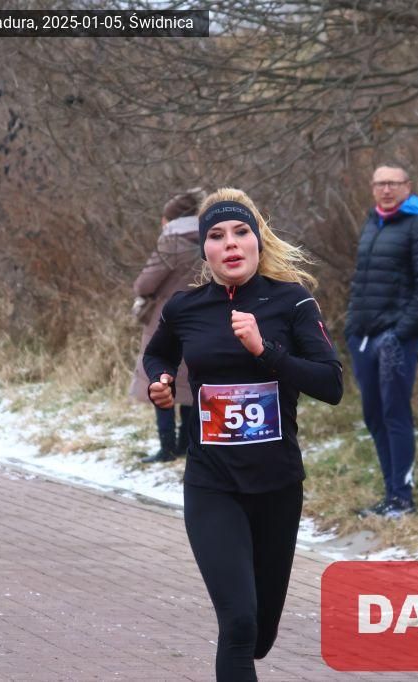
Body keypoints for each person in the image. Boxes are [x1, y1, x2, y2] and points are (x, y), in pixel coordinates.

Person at [143, 188, 342, 681]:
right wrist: (160, 380)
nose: (230, 243)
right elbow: (158, 351)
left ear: (257, 240)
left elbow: (331, 384)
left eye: (240, 232)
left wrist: (265, 350)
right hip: (212, 485)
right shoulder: (185, 307)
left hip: (277, 486)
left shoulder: (292, 301)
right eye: (216, 235)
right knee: (238, 624)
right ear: (205, 250)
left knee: (260, 635)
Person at [345, 162, 418, 518]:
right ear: (372, 188)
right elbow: (361, 281)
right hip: (363, 337)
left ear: (408, 187)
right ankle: (390, 494)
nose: (386, 190)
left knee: (395, 414)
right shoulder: (373, 223)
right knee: (373, 415)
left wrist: (399, 334)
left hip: (397, 340)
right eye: (380, 184)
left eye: (393, 183)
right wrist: (352, 327)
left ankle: (402, 499)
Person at [130, 188, 206, 463]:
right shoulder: (210, 240)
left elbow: (144, 284)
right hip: (201, 322)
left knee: (161, 379)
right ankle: (186, 444)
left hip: (166, 323)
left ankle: (167, 448)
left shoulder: (171, 243)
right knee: (189, 384)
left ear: (172, 218)